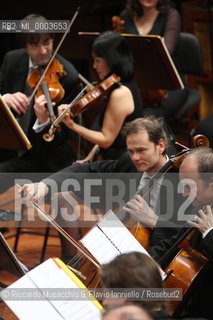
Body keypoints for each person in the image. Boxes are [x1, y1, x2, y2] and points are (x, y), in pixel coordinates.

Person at [20, 116, 186, 261]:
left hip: (158, 258)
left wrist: (155, 222)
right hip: (122, 243)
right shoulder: (129, 162)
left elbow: (190, 233)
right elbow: (87, 169)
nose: (135, 157)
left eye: (141, 150)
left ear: (161, 146)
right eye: (131, 151)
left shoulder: (181, 180)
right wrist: (45, 185)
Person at [0, 13, 80, 193]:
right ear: (25, 46)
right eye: (35, 44)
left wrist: (44, 121)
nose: (43, 50)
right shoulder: (12, 60)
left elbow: (63, 136)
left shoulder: (68, 76)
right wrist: (5, 98)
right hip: (9, 144)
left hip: (42, 154)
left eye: (47, 42)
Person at [57, 30, 143, 162]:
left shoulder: (120, 93)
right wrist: (88, 159)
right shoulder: (123, 82)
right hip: (112, 159)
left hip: (122, 164)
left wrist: (72, 125)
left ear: (111, 60)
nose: (94, 66)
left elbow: (106, 140)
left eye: (97, 61)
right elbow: (109, 130)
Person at [148, 147, 213, 319]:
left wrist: (209, 233)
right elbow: (173, 243)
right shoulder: (201, 206)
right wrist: (142, 264)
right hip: (188, 300)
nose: (184, 193)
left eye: (189, 187)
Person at [117, 0, 189, 119]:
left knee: (143, 119)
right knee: (114, 113)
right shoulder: (126, 16)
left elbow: (166, 53)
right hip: (137, 84)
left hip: (169, 85)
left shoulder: (171, 15)